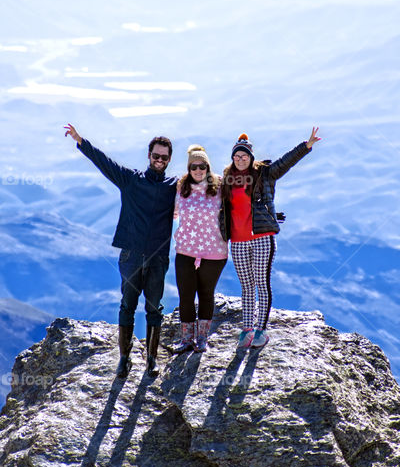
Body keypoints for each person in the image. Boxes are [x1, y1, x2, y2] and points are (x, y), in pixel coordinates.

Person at [64, 123, 177, 379]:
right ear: (149, 156)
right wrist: (81, 141)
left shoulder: (174, 186)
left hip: (158, 256)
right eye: (156, 156)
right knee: (127, 305)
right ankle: (124, 359)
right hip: (131, 254)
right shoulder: (131, 180)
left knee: (154, 307)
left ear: (169, 160)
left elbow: (208, 190)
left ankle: (151, 360)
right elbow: (105, 163)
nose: (159, 160)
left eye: (164, 157)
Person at [221, 128, 321, 349]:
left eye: (244, 156)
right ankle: (246, 329)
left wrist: (306, 146)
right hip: (237, 241)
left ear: (251, 158)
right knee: (246, 286)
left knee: (261, 283)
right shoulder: (227, 180)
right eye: (236, 156)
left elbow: (284, 163)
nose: (240, 160)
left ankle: (261, 331)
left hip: (261, 237)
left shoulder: (264, 174)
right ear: (232, 158)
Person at [171, 145, 228, 354]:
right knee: (185, 296)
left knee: (206, 294)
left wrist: (266, 215)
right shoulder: (180, 189)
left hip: (214, 252)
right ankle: (186, 339)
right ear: (189, 168)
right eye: (194, 166)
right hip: (185, 251)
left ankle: (202, 339)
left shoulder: (220, 187)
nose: (198, 170)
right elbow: (168, 212)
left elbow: (241, 203)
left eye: (202, 166)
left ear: (207, 166)